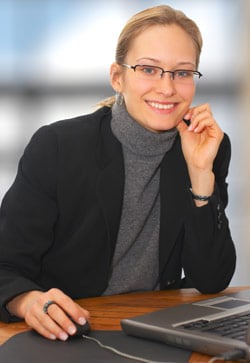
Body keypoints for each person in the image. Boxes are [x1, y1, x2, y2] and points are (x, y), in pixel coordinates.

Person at [0, 4, 236, 342]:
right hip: (68, 331)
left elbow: (212, 278)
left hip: (157, 328)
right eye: (149, 69)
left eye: (182, 73)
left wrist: (201, 174)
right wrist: (28, 300)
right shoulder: (57, 146)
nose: (167, 88)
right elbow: (5, 265)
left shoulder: (208, 147)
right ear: (117, 77)